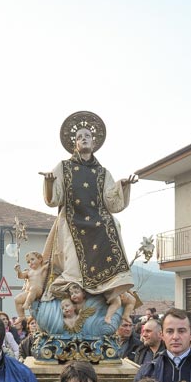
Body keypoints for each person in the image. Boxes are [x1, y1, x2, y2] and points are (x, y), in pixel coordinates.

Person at [41, 111, 137, 324]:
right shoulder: (64, 167)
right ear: (74, 144)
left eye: (87, 136)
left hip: (96, 219)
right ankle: (75, 286)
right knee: (74, 255)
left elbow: (113, 203)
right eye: (79, 137)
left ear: (94, 143)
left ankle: (108, 284)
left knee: (113, 222)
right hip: (73, 220)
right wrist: (49, 182)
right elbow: (54, 198)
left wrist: (123, 186)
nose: (83, 139)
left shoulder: (103, 172)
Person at [14, 251, 48, 318]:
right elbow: (20, 276)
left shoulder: (42, 269)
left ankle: (27, 303)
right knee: (17, 299)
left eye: (32, 259)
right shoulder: (28, 272)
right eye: (28, 262)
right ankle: (21, 316)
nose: (30, 262)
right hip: (29, 292)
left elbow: (51, 264)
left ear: (40, 259)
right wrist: (18, 271)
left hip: (38, 290)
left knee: (33, 288)